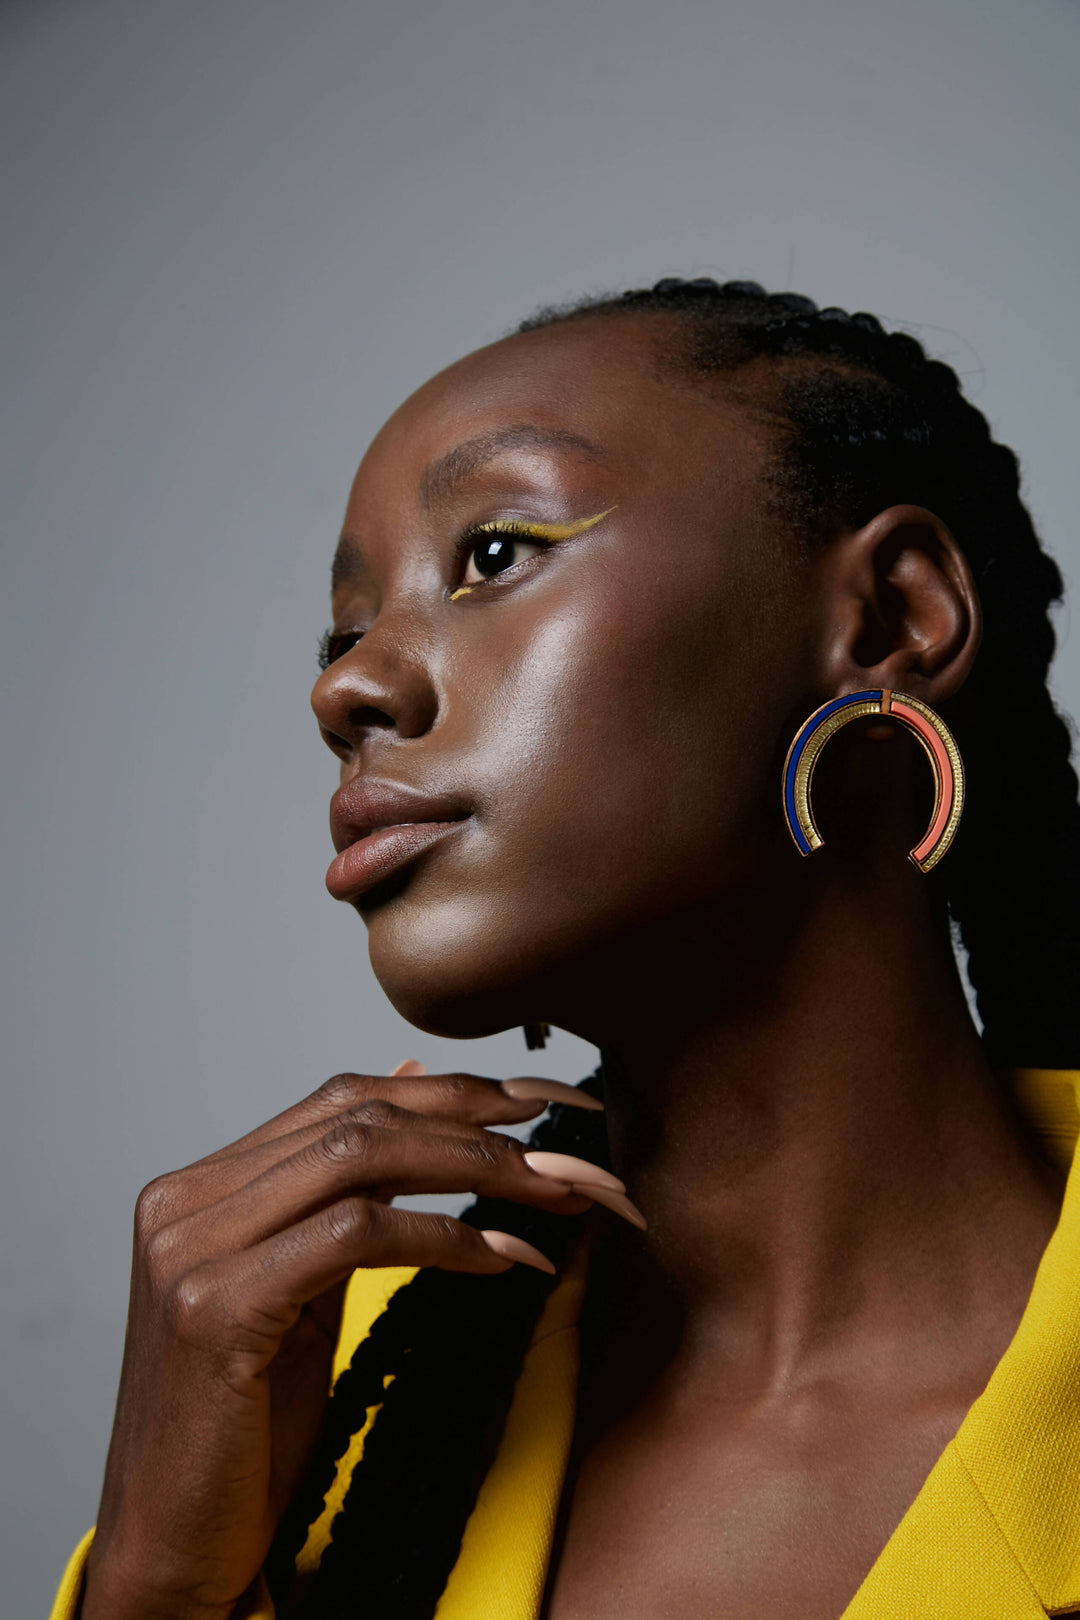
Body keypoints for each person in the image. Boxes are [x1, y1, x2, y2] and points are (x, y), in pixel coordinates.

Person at [51, 279, 1080, 1620]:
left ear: (890, 618)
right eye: (344, 630)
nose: (344, 688)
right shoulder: (323, 1401)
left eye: (492, 553)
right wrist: (153, 1586)